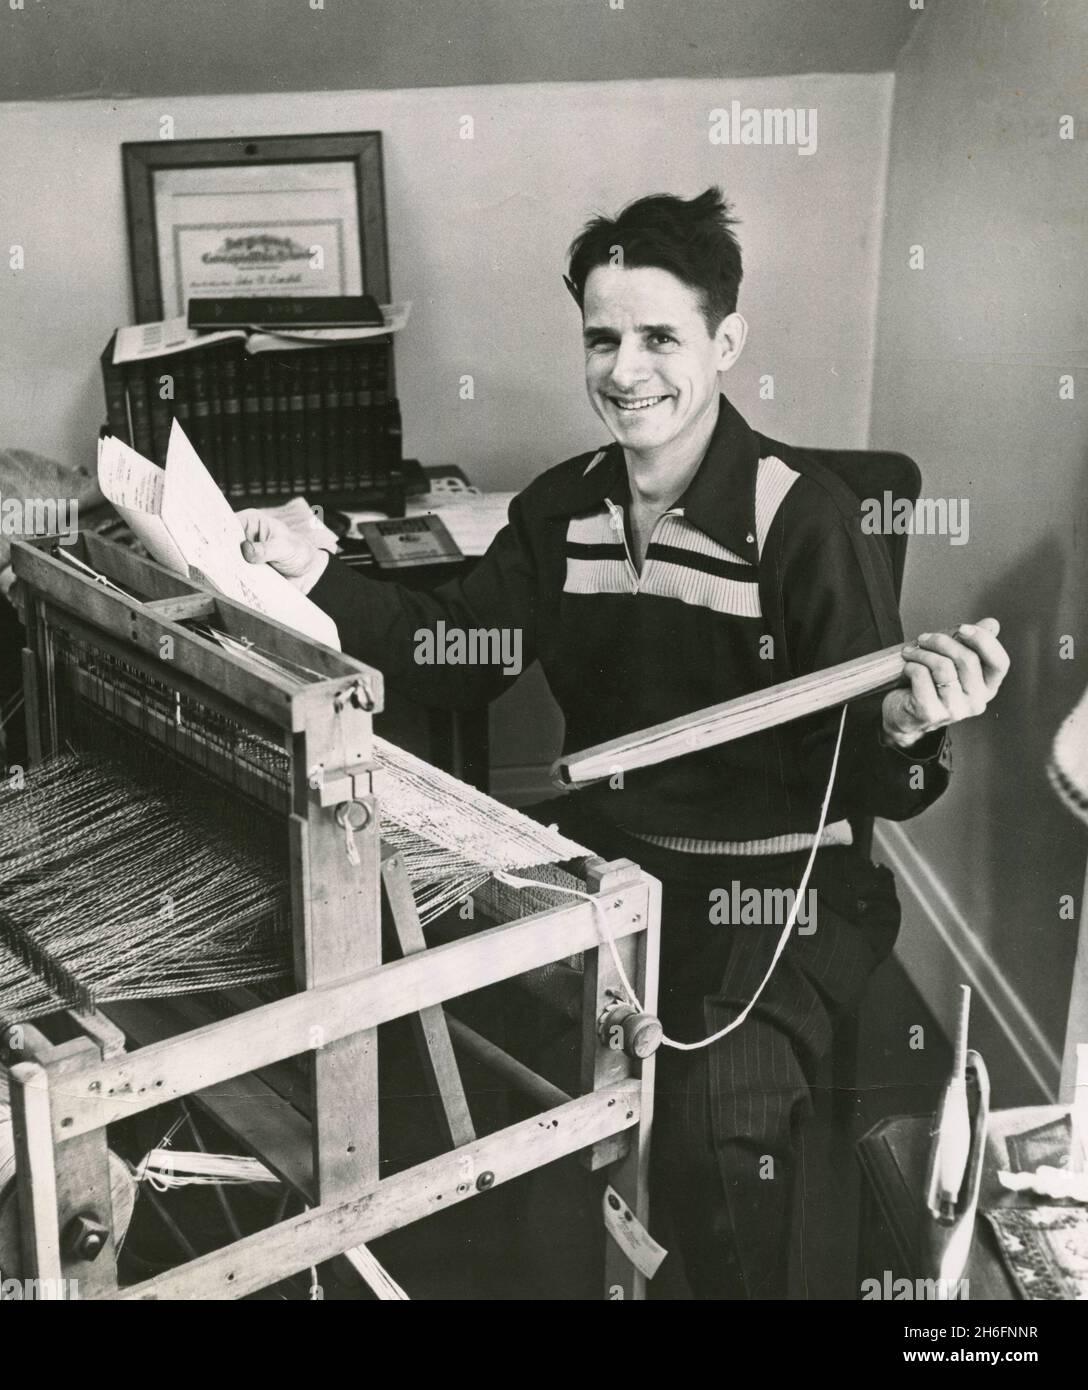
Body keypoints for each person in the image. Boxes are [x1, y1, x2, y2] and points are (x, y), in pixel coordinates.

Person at [237, 188, 1010, 1298]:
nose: (626, 369)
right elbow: (458, 650)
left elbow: (881, 768)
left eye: (661, 337)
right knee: (446, 1038)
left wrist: (906, 724)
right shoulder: (561, 508)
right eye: (603, 338)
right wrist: (313, 571)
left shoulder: (806, 517)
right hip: (614, 862)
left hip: (782, 887)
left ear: (724, 343)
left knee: (714, 1124)